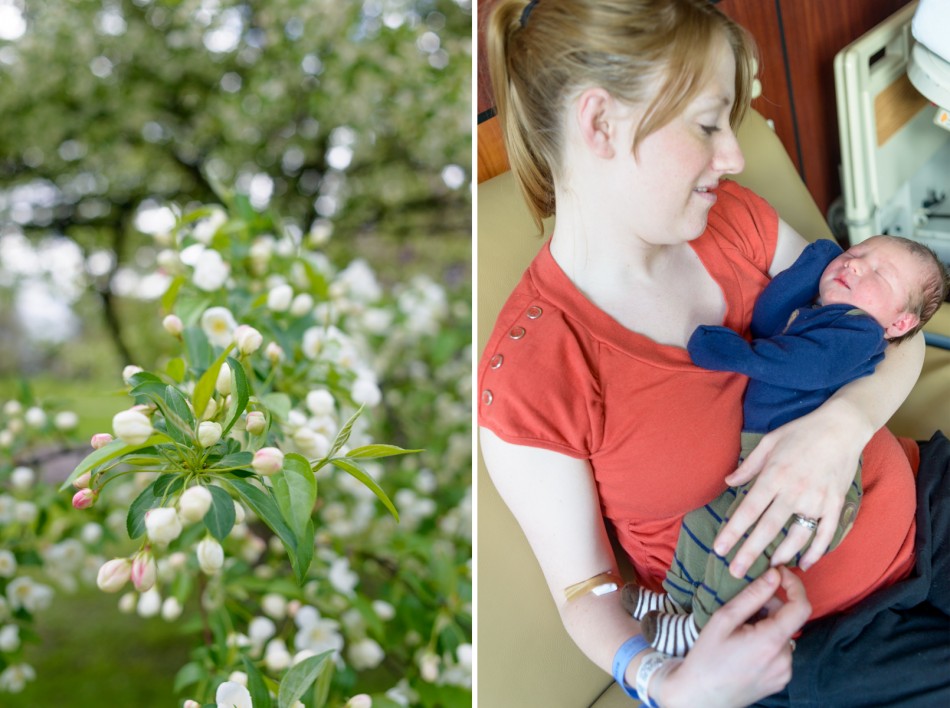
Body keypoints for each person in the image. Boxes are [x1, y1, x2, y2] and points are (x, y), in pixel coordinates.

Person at [479, 0, 949, 705]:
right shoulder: (532, 376)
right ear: (600, 123)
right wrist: (665, 683)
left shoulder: (731, 220)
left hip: (928, 502)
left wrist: (839, 431)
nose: (734, 155)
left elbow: (896, 335)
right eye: (707, 125)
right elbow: (586, 592)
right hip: (819, 653)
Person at [628, 235, 949, 657]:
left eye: (878, 273)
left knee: (744, 547)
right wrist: (816, 261)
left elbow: (801, 365)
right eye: (855, 254)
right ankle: (678, 600)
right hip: (768, 468)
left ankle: (703, 631)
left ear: (899, 325)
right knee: (702, 524)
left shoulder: (859, 332)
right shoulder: (817, 313)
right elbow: (767, 317)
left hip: (822, 488)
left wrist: (735, 356)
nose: (855, 266)